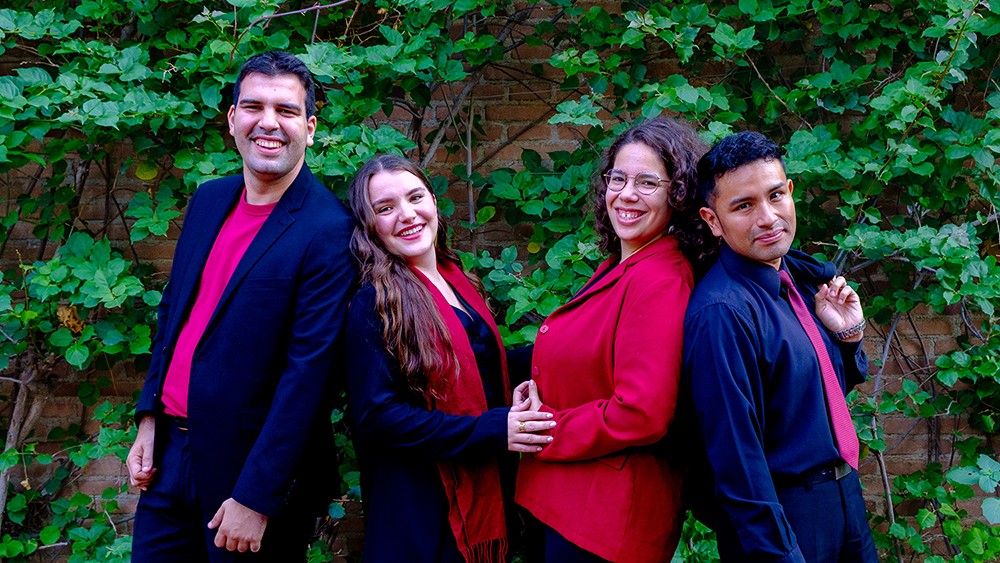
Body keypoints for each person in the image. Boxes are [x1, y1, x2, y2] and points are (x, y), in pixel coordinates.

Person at [126, 51, 356, 561]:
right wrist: (149, 417)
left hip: (248, 476)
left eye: (286, 110)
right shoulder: (209, 200)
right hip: (169, 459)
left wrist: (257, 496)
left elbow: (309, 376)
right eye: (253, 107)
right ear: (232, 119)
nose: (268, 122)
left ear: (310, 128)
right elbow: (173, 315)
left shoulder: (330, 230)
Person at [515, 117, 712, 562]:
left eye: (647, 183)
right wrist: (539, 385)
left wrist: (544, 430)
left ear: (679, 194)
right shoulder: (625, 264)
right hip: (572, 506)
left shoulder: (660, 280)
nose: (626, 194)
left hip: (605, 523)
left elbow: (642, 413)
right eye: (618, 178)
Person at [344, 154, 553, 562]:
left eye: (415, 197)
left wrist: (560, 348)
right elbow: (378, 417)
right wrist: (490, 428)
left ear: (434, 201)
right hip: (424, 511)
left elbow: (480, 364)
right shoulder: (374, 303)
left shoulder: (456, 278)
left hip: (482, 488)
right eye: (385, 208)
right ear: (369, 225)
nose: (407, 215)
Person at [682, 130, 877, 562]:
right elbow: (737, 462)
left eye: (775, 196)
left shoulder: (797, 282)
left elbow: (806, 405)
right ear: (713, 220)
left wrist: (848, 339)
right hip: (786, 519)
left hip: (844, 501)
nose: (768, 218)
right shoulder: (722, 312)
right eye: (744, 206)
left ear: (790, 191)